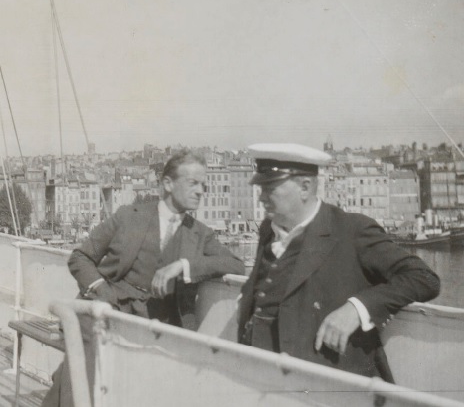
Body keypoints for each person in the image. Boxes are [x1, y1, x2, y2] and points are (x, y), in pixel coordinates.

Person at [43, 149, 245, 407]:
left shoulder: (200, 233)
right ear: (168, 184)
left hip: (159, 323)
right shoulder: (129, 216)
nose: (200, 191)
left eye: (203, 185)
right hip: (108, 310)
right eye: (193, 183)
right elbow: (81, 257)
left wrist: (183, 265)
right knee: (85, 369)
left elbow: (236, 264)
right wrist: (101, 289)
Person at [238, 143, 440, 382]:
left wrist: (358, 308)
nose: (261, 197)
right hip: (264, 377)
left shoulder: (351, 230)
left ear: (305, 187)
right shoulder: (268, 229)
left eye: (269, 188)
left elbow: (424, 278)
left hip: (327, 386)